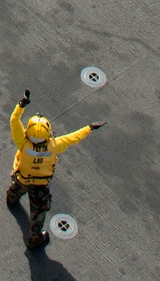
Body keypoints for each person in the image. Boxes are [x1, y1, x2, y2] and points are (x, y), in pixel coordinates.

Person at [6, 88, 105, 249]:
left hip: (22, 178)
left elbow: (14, 121)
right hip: (40, 186)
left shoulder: (22, 143)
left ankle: (11, 198)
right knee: (38, 214)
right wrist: (89, 127)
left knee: (15, 188)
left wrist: (21, 105)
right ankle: (34, 238)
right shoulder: (54, 145)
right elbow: (73, 137)